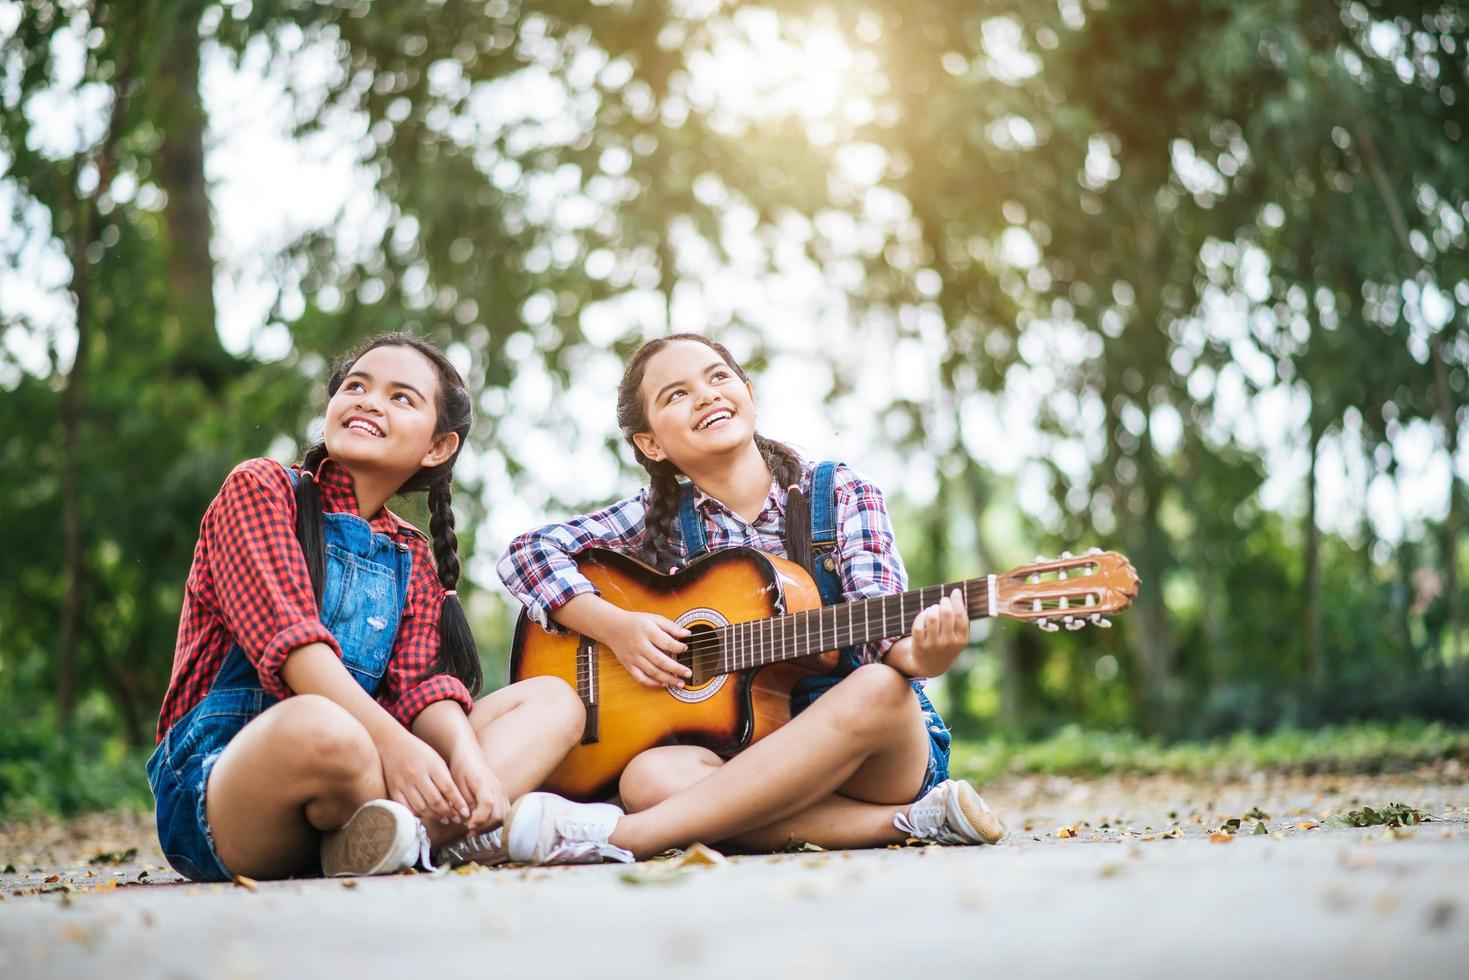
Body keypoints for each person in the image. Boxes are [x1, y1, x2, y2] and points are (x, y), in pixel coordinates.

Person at [496, 333, 1004, 865]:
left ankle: (627, 837)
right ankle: (914, 822)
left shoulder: (841, 494)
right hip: (750, 755)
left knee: (880, 685)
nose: (707, 395)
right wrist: (617, 628)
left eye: (718, 377)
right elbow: (526, 553)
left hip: (873, 752)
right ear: (651, 444)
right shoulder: (658, 517)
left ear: (748, 392)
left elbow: (885, 642)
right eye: (676, 394)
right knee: (650, 776)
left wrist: (923, 656)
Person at [149, 333, 584, 881]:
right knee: (326, 727)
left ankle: (393, 838)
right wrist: (395, 745)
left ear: (437, 447)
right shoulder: (260, 489)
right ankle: (435, 835)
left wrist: (469, 758)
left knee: (554, 701)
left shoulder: (411, 553)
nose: (369, 401)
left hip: (367, 768)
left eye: (401, 397)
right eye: (356, 386)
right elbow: (291, 647)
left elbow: (421, 687)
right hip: (224, 785)